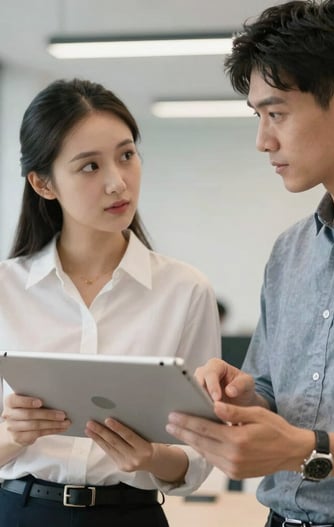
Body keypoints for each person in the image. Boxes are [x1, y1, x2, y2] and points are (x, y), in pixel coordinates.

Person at [166, 0, 334, 524]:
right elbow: (272, 394)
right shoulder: (290, 252)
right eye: (258, 116)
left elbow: (299, 441)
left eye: (276, 113)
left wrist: (304, 449)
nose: (263, 141)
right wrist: (240, 393)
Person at [0, 78, 221, 527]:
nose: (117, 183)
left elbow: (202, 451)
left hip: (130, 515)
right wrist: (11, 436)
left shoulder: (185, 290)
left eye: (126, 155)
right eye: (89, 167)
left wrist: (153, 457)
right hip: (19, 513)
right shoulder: (5, 290)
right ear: (43, 183)